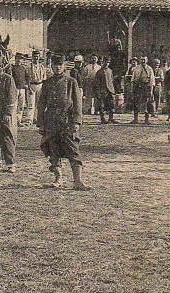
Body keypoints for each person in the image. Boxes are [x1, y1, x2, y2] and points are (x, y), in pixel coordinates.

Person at [37, 53, 88, 190]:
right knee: (53, 150)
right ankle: (58, 179)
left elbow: (77, 104)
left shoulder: (71, 82)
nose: (58, 67)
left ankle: (77, 181)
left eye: (60, 65)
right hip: (51, 121)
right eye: (55, 65)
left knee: (73, 149)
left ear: (65, 66)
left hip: (67, 121)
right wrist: (41, 123)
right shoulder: (47, 83)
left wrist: (77, 122)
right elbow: (41, 104)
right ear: (51, 66)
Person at [130, 56, 155, 124]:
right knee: (136, 103)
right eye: (141, 60)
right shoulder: (136, 68)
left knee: (146, 103)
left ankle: (146, 119)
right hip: (138, 87)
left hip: (146, 87)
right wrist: (132, 89)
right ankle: (135, 119)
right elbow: (133, 79)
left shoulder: (149, 69)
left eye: (144, 60)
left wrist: (151, 90)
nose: (143, 61)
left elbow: (152, 81)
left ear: (147, 60)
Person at [26, 49, 48, 125]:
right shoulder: (28, 67)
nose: (36, 58)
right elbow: (27, 78)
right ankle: (29, 119)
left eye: (37, 57)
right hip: (32, 85)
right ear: (32, 57)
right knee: (31, 103)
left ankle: (37, 118)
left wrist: (43, 88)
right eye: (34, 57)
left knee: (39, 103)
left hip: (40, 85)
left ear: (39, 58)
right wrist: (29, 88)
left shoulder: (42, 67)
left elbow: (44, 78)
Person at [93, 57, 117, 124]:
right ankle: (102, 118)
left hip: (110, 90)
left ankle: (111, 118)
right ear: (103, 62)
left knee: (112, 105)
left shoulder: (110, 71)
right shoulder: (99, 72)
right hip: (102, 91)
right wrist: (98, 92)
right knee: (102, 106)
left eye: (108, 62)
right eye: (106, 62)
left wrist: (113, 90)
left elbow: (112, 80)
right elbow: (97, 83)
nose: (107, 63)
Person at [10, 52, 29, 126]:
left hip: (22, 89)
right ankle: (13, 121)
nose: (19, 60)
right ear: (15, 59)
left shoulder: (23, 68)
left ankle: (18, 121)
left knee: (21, 106)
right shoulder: (12, 68)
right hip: (15, 89)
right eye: (18, 58)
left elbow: (28, 77)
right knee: (14, 105)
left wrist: (27, 84)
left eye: (20, 59)